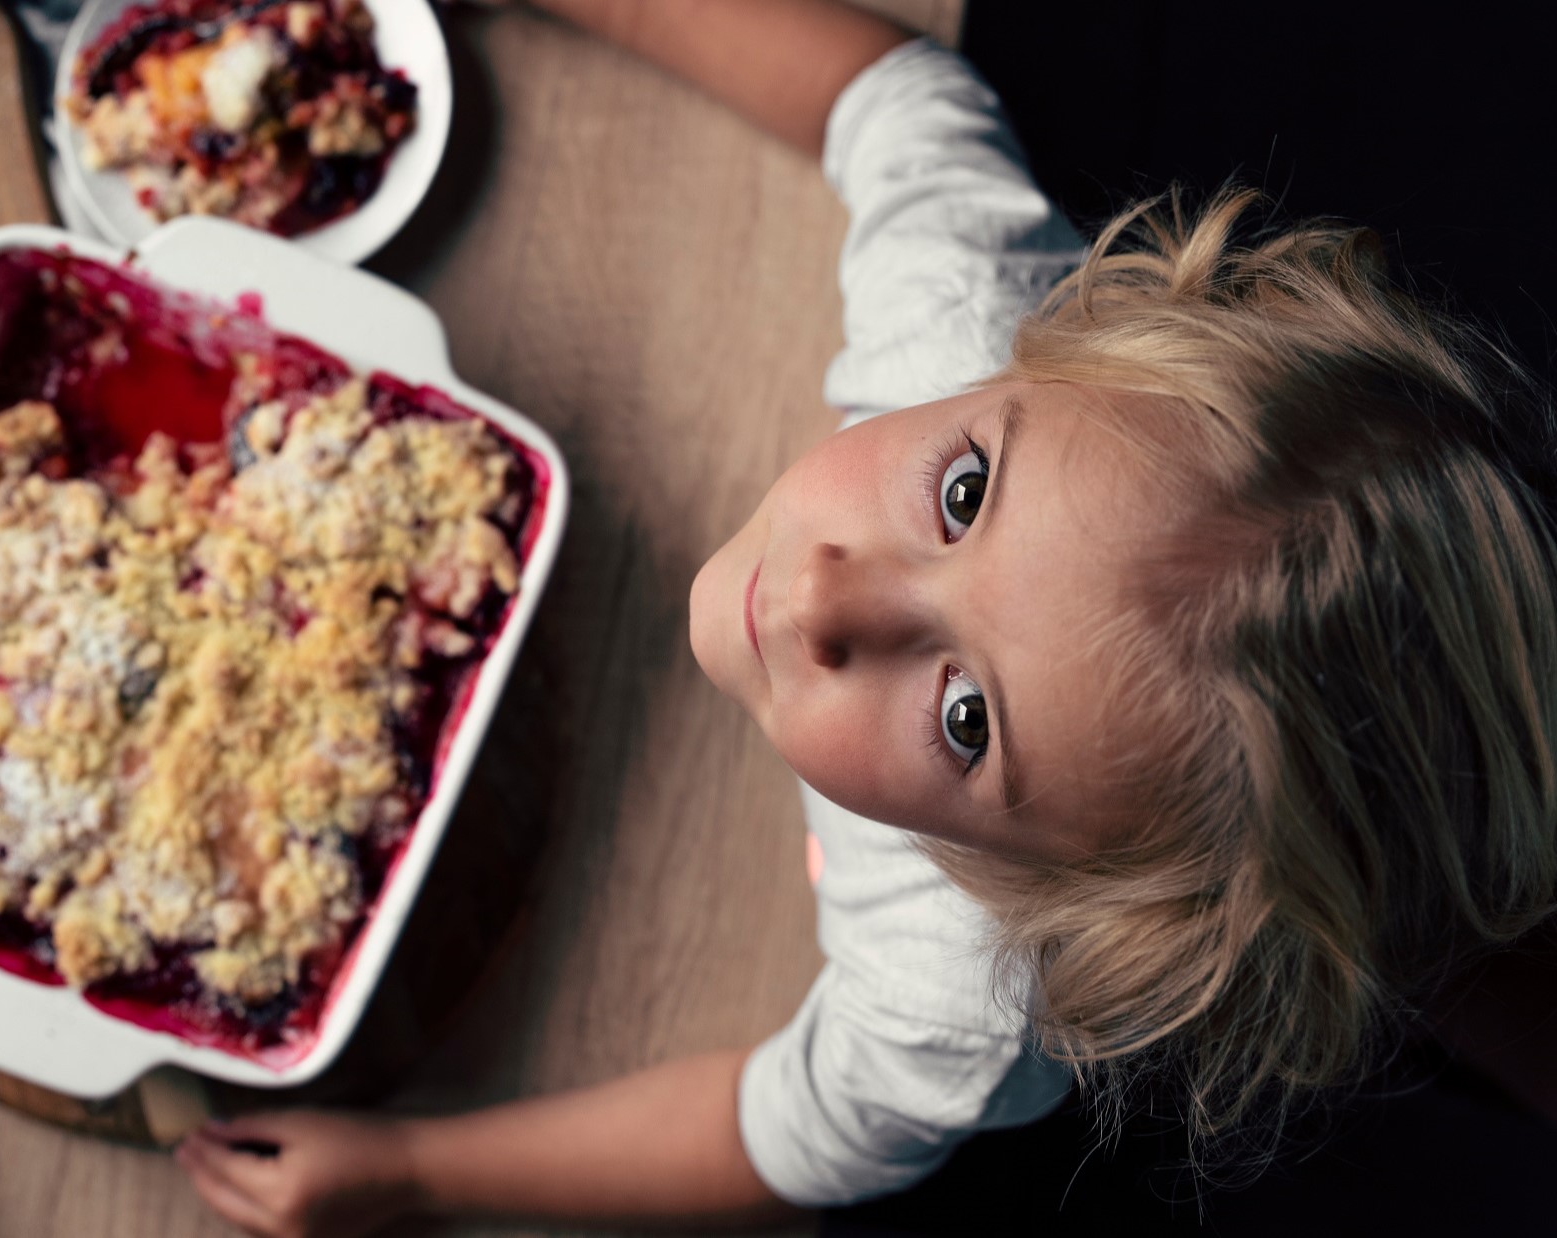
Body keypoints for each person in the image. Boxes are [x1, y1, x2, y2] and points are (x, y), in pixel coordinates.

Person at [173, 2, 1557, 1234]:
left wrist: (408, 1173)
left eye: (966, 720)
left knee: (1455, 972)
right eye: (962, 491)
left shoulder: (957, 1001)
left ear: (1071, 904)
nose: (830, 594)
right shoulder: (967, 320)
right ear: (1057, 352)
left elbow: (777, 1133)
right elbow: (887, 98)